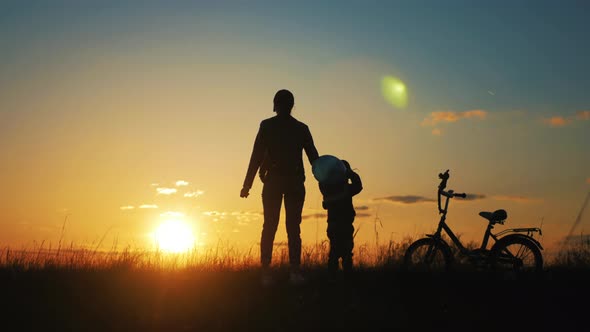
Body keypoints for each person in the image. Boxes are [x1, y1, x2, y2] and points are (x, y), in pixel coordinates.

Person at [240, 89, 319, 285]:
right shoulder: (300, 128)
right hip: (287, 182)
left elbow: (256, 156)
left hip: (280, 182)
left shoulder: (269, 126)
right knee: (287, 228)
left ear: (276, 105)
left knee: (277, 227)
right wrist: (247, 184)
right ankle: (286, 272)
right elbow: (315, 161)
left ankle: (272, 272)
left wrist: (247, 185)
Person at [317, 159, 362, 274]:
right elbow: (358, 185)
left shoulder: (329, 189)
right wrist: (350, 172)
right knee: (344, 252)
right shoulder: (345, 189)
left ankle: (333, 277)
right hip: (342, 224)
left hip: (337, 224)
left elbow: (321, 182)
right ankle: (344, 276)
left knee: (336, 252)